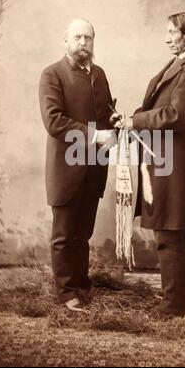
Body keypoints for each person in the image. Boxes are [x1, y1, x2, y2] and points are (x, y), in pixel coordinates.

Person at [111, 12, 185, 317]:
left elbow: (179, 115)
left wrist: (136, 121)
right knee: (173, 228)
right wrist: (129, 119)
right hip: (163, 156)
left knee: (167, 230)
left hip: (173, 160)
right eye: (166, 32)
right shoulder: (180, 64)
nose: (167, 38)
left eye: (172, 32)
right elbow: (159, 106)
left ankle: (172, 304)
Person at [39, 19, 116, 311]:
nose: (83, 42)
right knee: (64, 234)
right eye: (77, 37)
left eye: (88, 37)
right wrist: (96, 135)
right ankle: (66, 292)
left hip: (95, 166)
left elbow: (106, 114)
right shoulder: (52, 74)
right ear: (65, 40)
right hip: (66, 168)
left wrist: (116, 125)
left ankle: (82, 286)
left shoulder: (99, 74)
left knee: (83, 233)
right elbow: (54, 121)